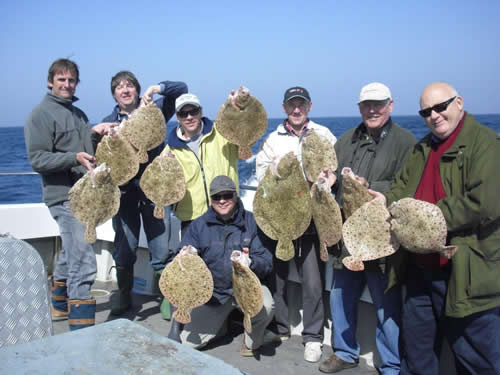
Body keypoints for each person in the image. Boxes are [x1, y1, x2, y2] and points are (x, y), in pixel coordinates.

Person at [371, 82, 500, 374]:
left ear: (459, 103)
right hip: (419, 269)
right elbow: (402, 189)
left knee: (476, 356)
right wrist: (385, 200)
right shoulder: (422, 148)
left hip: (466, 272)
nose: (434, 116)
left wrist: (427, 216)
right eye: (426, 111)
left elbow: (486, 203)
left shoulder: (487, 144)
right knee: (417, 354)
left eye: (441, 107)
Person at [319, 83, 417, 374]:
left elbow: (410, 185)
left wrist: (371, 187)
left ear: (390, 105)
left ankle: (390, 363)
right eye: (366, 105)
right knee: (340, 297)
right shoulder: (346, 140)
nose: (372, 110)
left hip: (382, 238)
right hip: (347, 237)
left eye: (378, 104)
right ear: (359, 108)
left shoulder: (406, 142)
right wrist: (330, 180)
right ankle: (344, 351)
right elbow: (331, 176)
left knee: (386, 304)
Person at [24, 58, 116, 330]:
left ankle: (59, 305)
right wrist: (73, 158)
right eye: (61, 79)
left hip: (86, 194)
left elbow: (86, 150)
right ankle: (82, 328)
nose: (66, 84)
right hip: (62, 195)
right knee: (84, 259)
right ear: (50, 81)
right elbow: (37, 159)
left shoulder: (79, 115)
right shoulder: (39, 115)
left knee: (72, 251)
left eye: (71, 80)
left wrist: (96, 133)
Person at [256, 87, 337, 363]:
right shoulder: (273, 139)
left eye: (301, 104)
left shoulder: (324, 135)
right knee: (276, 277)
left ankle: (313, 337)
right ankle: (279, 327)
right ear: (284, 108)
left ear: (310, 106)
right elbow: (260, 172)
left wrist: (330, 179)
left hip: (313, 220)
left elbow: (334, 168)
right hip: (280, 219)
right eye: (292, 105)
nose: (297, 109)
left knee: (313, 281)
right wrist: (274, 170)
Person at [102, 71, 187, 317]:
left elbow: (180, 87)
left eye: (130, 86)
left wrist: (156, 89)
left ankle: (167, 297)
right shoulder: (109, 121)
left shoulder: (155, 109)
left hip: (156, 190)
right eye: (119, 87)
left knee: (161, 249)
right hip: (125, 193)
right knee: (125, 247)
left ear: (137, 90)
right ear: (114, 94)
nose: (125, 90)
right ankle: (124, 294)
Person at [170, 175, 276, 356]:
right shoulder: (199, 225)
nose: (222, 201)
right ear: (211, 200)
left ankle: (251, 341)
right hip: (214, 294)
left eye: (227, 195)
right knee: (188, 345)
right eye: (217, 197)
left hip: (245, 289)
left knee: (266, 305)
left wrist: (250, 262)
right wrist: (186, 255)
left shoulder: (252, 223)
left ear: (236, 195)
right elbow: (180, 257)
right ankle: (221, 328)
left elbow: (267, 262)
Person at [163, 93, 239, 232]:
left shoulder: (223, 133)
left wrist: (237, 109)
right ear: (177, 117)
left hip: (229, 211)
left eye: (193, 111)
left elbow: (246, 140)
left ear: (201, 112)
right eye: (183, 114)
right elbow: (163, 188)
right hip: (191, 219)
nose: (189, 117)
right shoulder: (169, 152)